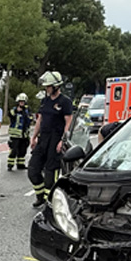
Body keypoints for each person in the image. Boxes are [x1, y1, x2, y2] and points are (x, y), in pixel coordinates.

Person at [28, 71, 75, 207]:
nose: (46, 89)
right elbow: (40, 119)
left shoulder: (65, 102)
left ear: (56, 86)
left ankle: (50, 202)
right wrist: (34, 137)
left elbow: (68, 122)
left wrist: (63, 140)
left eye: (48, 86)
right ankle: (40, 196)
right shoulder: (45, 101)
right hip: (43, 139)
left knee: (50, 174)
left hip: (55, 141)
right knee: (33, 170)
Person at [6, 93, 32, 172]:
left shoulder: (27, 111)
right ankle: (10, 164)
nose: (22, 103)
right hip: (15, 135)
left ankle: (20, 164)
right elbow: (10, 114)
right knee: (13, 150)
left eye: (23, 102)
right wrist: (16, 110)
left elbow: (30, 120)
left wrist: (26, 113)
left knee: (22, 150)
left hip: (24, 135)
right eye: (20, 102)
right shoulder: (14, 109)